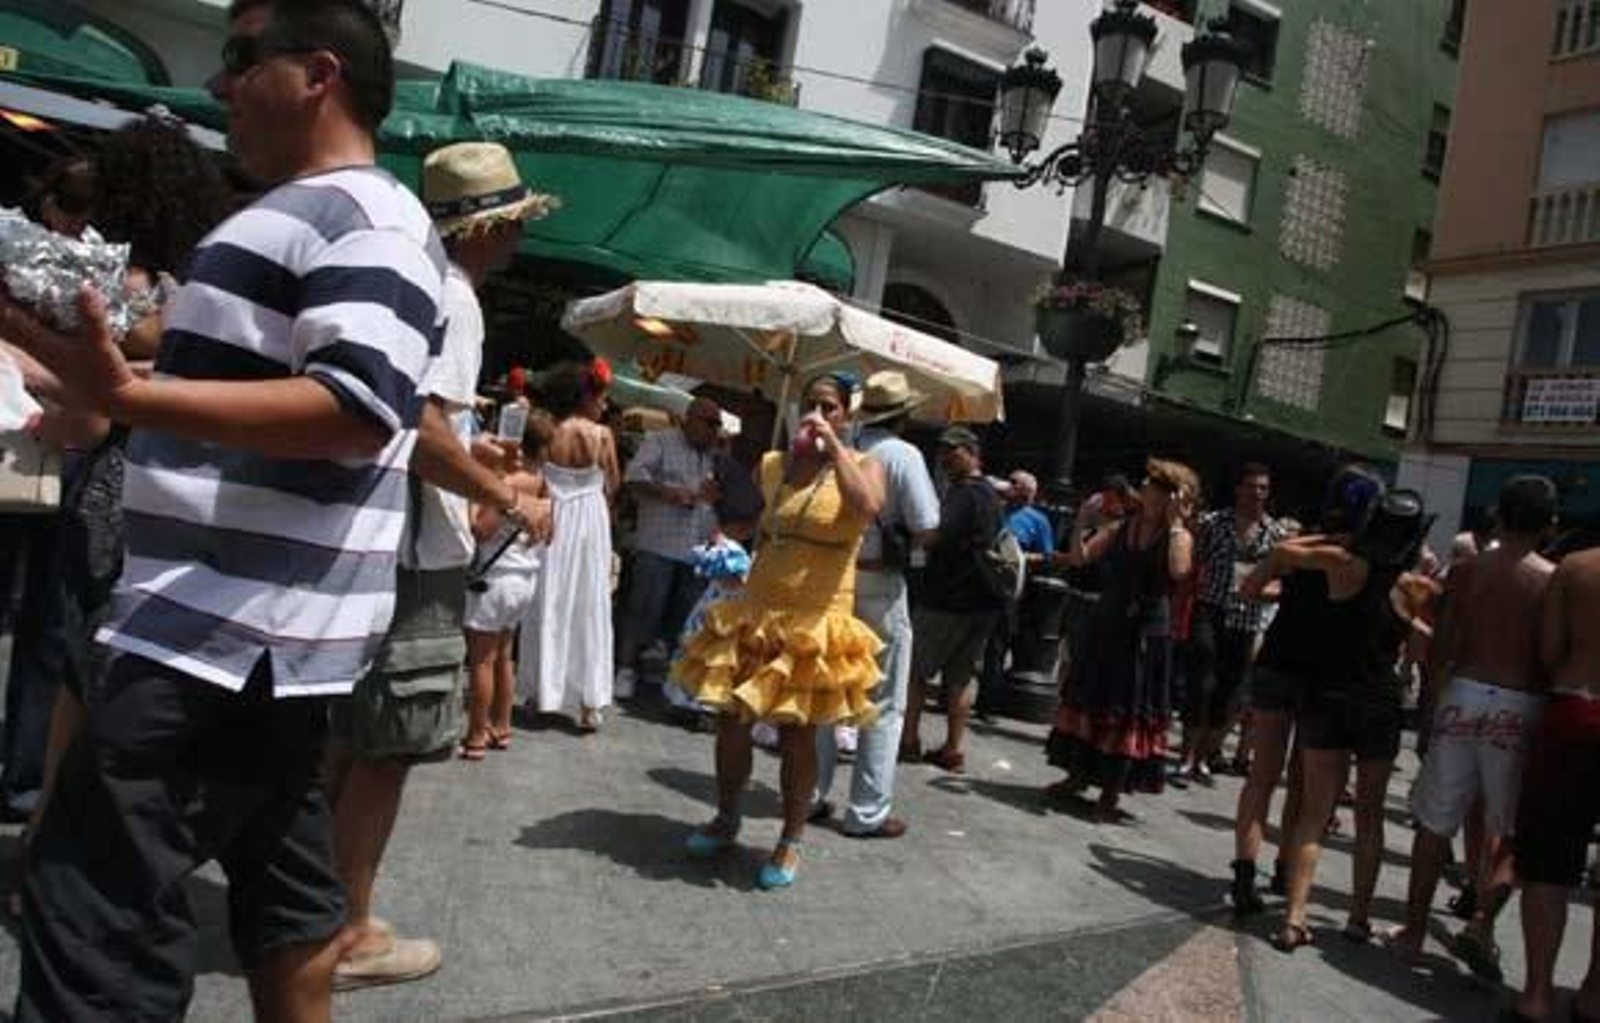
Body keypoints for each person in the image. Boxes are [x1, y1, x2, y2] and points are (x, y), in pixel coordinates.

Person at [4, 2, 443, 1017]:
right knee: (288, 904)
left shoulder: (359, 216)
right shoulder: (302, 216)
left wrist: (127, 397)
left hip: (213, 640)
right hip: (256, 643)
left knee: (95, 929)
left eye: (242, 60)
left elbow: (356, 405)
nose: (218, 85)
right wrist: (90, 370)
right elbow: (206, 386)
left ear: (318, 74)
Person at [323, 136, 553, 991]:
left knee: (352, 739)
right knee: (391, 744)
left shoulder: (421, 282)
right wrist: (508, 488)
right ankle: (346, 934)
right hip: (417, 552)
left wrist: (471, 445)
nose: (519, 240)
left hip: (375, 539)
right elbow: (419, 426)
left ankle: (319, 914)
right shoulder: (458, 299)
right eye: (514, 224)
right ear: (489, 230)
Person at [674, 372, 886, 889]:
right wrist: (715, 500)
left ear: (848, 416)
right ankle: (726, 818)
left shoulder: (863, 465)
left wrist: (834, 446)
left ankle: (791, 839)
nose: (816, 413)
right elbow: (748, 527)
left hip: (816, 618)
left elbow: (869, 508)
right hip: (759, 607)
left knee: (797, 736)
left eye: (829, 407)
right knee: (731, 721)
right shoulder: (772, 464)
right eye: (810, 403)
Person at [1245, 488, 1431, 952]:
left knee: (1314, 813)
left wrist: (1332, 536)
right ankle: (1358, 919)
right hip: (1379, 703)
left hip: (1327, 695)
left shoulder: (1341, 563)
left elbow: (1282, 551)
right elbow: (1431, 644)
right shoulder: (1416, 586)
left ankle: (1294, 917)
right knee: (1369, 817)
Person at [1386, 477, 1556, 977]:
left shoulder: (1466, 570)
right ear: (1549, 525)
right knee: (1511, 831)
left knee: (1435, 821)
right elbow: (1549, 654)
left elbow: (1443, 645)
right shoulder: (1552, 579)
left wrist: (1435, 702)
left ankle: (1414, 932)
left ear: (1497, 516)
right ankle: (1481, 922)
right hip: (1518, 703)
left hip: (1464, 692)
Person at [813, 371, 939, 838]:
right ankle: (866, 811)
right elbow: (927, 525)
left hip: (834, 580)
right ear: (904, 415)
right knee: (882, 703)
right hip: (880, 585)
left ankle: (807, 793)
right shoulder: (903, 454)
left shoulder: (841, 445)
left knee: (826, 692)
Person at [1045, 458, 1197, 823]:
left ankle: (1111, 792)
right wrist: (1083, 519)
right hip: (1108, 624)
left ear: (1169, 496)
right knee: (1090, 697)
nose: (1143, 487)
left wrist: (1177, 523)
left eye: (1152, 484)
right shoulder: (1120, 527)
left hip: (1145, 634)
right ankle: (1076, 776)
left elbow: (1179, 571)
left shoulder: (1178, 536)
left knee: (1128, 709)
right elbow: (1081, 559)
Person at [1505, 545, 1600, 1022]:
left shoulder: (1580, 567)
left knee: (1548, 863)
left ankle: (1538, 996)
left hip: (1577, 707)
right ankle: (1594, 995)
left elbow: (1548, 652)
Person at [521, 359, 620, 732]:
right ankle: (589, 702)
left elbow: (537, 476)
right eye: (603, 398)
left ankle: (538, 693)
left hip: (554, 516)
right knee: (589, 603)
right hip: (590, 520)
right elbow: (613, 483)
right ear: (587, 398)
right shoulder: (602, 436)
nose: (606, 406)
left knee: (548, 598)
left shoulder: (550, 430)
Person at [1173, 463, 1285, 787]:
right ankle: (1186, 756)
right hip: (1211, 608)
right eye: (1251, 486)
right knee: (1202, 680)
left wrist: (1266, 593)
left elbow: (1282, 582)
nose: (1257, 493)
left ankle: (1205, 756)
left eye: (1263, 488)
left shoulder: (1274, 533)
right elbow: (1192, 559)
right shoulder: (1214, 523)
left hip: (1247, 617)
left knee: (1229, 691)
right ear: (1238, 489)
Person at [901, 426, 1005, 774]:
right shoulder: (990, 495)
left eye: (953, 451)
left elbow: (936, 536)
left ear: (972, 453)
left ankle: (908, 742)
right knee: (960, 679)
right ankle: (952, 749)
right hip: (982, 601)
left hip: (948, 599)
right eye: (942, 451)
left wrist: (907, 535)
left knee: (915, 671)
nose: (944, 458)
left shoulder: (966, 494)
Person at [615, 395, 724, 698]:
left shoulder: (715, 456)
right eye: (709, 422)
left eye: (718, 424)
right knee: (643, 611)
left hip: (696, 549)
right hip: (659, 544)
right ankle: (626, 670)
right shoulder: (661, 441)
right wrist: (670, 494)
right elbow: (634, 478)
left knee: (684, 618)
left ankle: (670, 678)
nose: (715, 430)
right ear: (689, 419)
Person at [462, 412, 554, 759]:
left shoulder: (506, 481)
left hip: (495, 576)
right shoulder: (542, 482)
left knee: (481, 661)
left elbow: (482, 529)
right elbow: (549, 532)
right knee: (504, 656)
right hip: (525, 576)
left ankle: (474, 737)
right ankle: (501, 726)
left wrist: (471, 507)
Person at [974, 469, 1054, 721]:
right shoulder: (995, 508)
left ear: (1028, 491)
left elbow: (1048, 555)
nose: (1009, 485)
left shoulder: (1037, 520)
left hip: (1008, 587)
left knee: (996, 647)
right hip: (980, 580)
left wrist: (1021, 557)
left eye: (1015, 483)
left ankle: (987, 704)